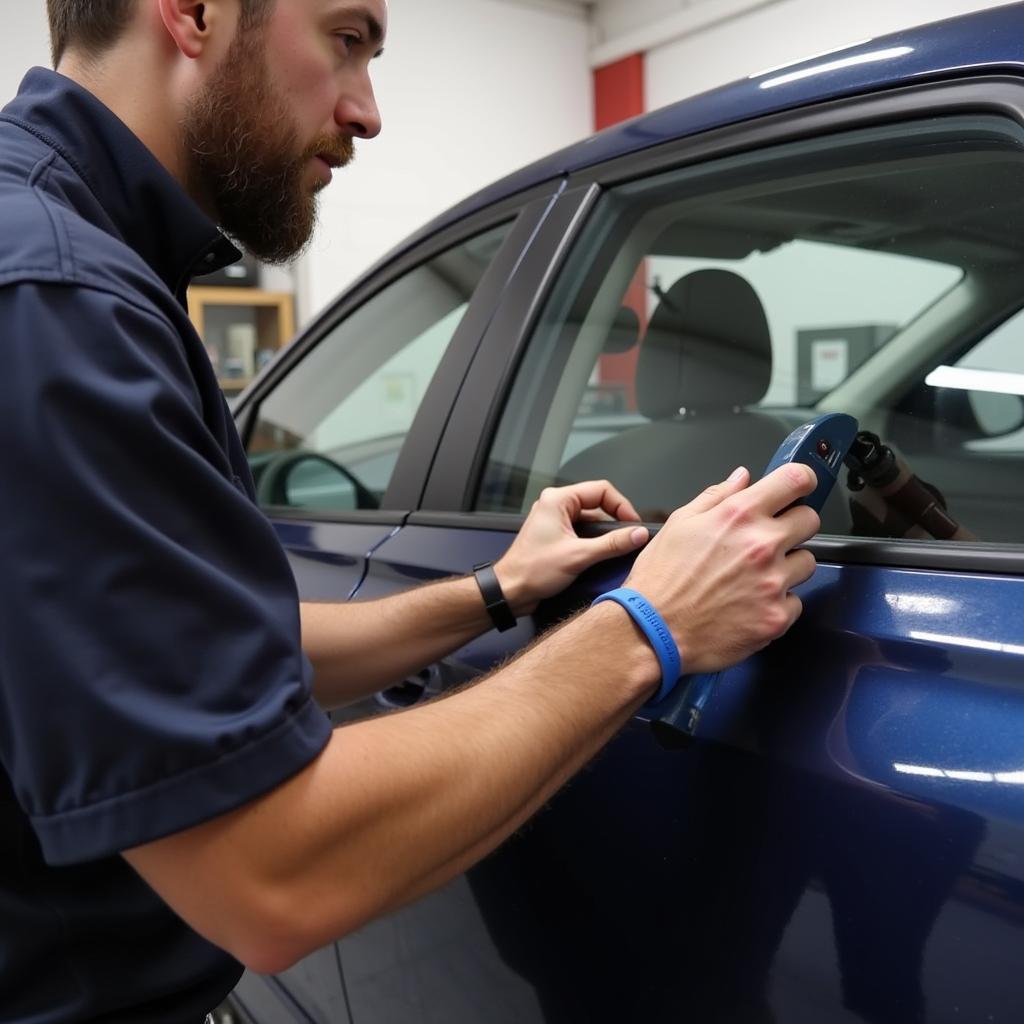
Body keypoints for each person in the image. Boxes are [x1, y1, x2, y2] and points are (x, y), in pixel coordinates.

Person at [0, 0, 820, 1018]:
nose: (369, 109)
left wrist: (495, 590)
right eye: (347, 38)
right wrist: (649, 625)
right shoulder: (56, 300)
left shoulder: (69, 261)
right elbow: (269, 871)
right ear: (196, 12)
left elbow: (196, 652)